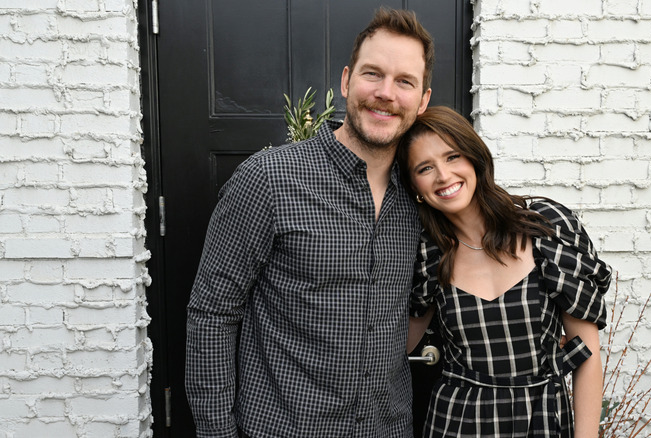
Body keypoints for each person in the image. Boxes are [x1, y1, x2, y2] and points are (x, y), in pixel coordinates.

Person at [185, 8, 433, 438]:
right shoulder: (269, 179)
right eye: (372, 74)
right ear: (346, 80)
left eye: (405, 81)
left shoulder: (419, 196)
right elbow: (211, 315)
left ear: (423, 100)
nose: (386, 93)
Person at [398, 106, 612, 437]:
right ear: (414, 187)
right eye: (425, 168)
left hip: (542, 418)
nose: (443, 175)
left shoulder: (546, 227)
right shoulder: (427, 254)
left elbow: (588, 353)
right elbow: (396, 347)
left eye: (452, 157)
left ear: (475, 158)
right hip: (456, 422)